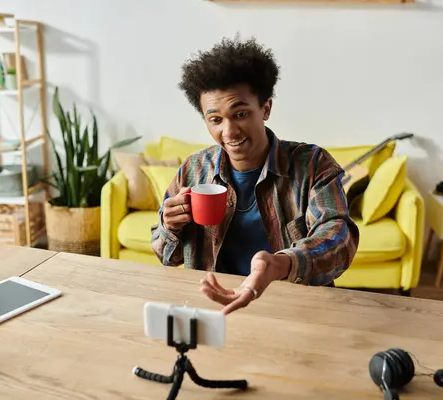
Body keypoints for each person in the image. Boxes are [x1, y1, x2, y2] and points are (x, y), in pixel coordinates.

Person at [151, 36, 359, 315]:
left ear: (266, 108)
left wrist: (281, 264)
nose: (229, 132)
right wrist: (169, 226)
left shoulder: (311, 164)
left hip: (293, 308)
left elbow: (339, 236)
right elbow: (166, 256)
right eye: (215, 119)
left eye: (240, 114)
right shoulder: (193, 170)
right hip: (214, 304)